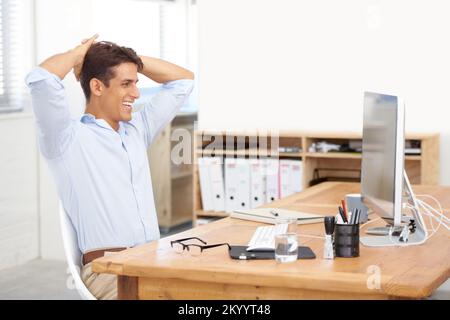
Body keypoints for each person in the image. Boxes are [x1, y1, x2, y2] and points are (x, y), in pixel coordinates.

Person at [25, 34, 194, 299]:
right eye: (126, 83)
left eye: (136, 82)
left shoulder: (137, 129)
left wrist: (132, 61)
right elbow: (41, 80)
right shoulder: (66, 138)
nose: (136, 93)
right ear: (97, 86)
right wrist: (80, 53)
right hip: (110, 272)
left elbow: (183, 81)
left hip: (153, 263)